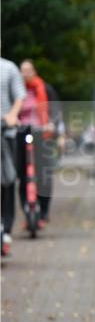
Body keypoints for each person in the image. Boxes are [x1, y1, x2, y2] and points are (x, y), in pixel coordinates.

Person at [17, 60, 60, 228]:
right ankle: (27, 211)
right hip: (21, 132)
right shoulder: (17, 89)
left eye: (28, 70)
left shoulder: (45, 88)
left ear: (34, 71)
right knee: (22, 174)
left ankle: (44, 211)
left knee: (44, 173)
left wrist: (52, 124)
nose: (25, 73)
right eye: (23, 70)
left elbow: (55, 110)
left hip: (42, 133)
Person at [1, 56, 25, 257]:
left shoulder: (8, 68)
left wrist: (12, 115)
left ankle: (6, 230)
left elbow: (19, 96)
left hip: (5, 133)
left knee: (7, 179)